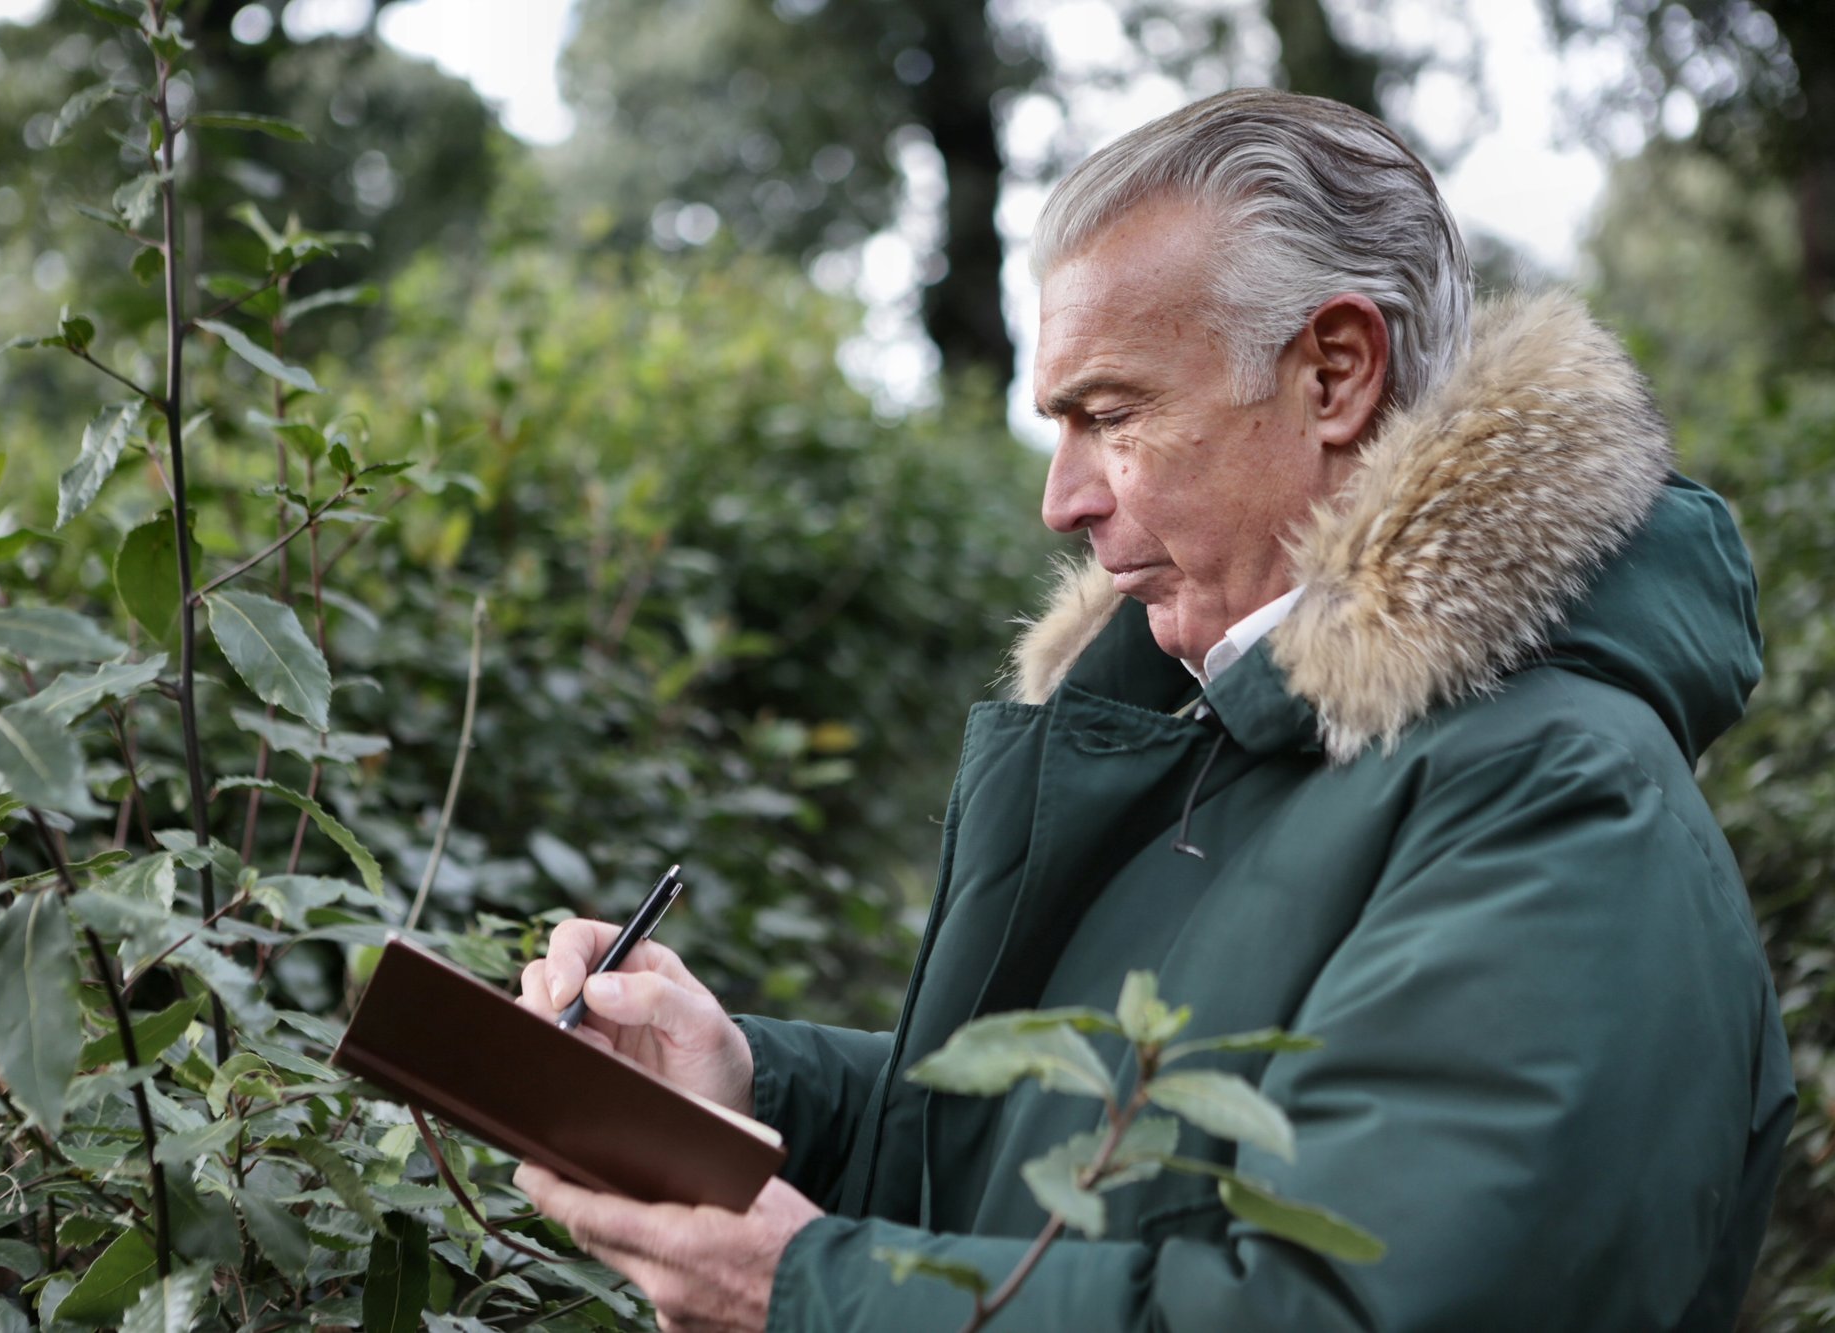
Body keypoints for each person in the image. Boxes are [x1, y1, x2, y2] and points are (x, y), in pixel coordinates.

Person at [514, 89, 1794, 1332]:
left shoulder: (1559, 808)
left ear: (1333, 373)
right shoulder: (1226, 724)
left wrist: (812, 1296)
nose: (1060, 499)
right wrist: (750, 1088)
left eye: (1110, 415)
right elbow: (1067, 1159)